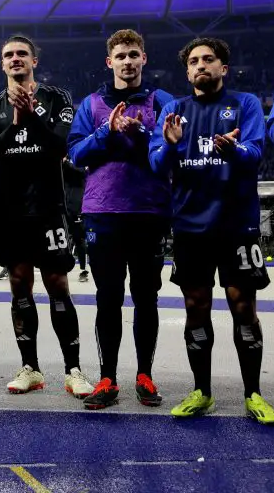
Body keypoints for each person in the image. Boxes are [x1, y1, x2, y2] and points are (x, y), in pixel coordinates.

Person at [150, 37, 274, 425]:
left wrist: (233, 151)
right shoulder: (173, 111)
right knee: (196, 307)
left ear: (224, 68)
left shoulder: (245, 104)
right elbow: (157, 165)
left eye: (209, 59)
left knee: (244, 307)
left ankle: (253, 394)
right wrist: (169, 146)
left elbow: (255, 153)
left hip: (237, 225)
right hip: (190, 227)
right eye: (194, 61)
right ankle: (202, 392)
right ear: (187, 71)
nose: (201, 65)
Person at [0, 35, 92, 401]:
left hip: (48, 207)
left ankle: (73, 370)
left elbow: (60, 146)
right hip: (9, 210)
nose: (15, 58)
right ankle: (31, 368)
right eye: (8, 54)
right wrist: (16, 121)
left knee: (58, 284)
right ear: (2, 64)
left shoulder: (58, 98)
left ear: (34, 61)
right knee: (19, 286)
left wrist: (33, 113)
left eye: (22, 54)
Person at [67, 29, 173, 410]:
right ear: (109, 62)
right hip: (103, 214)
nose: (128, 61)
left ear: (144, 59)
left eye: (133, 54)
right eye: (121, 56)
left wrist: (141, 130)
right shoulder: (91, 104)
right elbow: (75, 153)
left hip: (149, 212)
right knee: (108, 298)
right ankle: (108, 378)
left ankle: (144, 375)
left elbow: (170, 150)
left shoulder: (163, 101)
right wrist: (107, 131)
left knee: (147, 298)